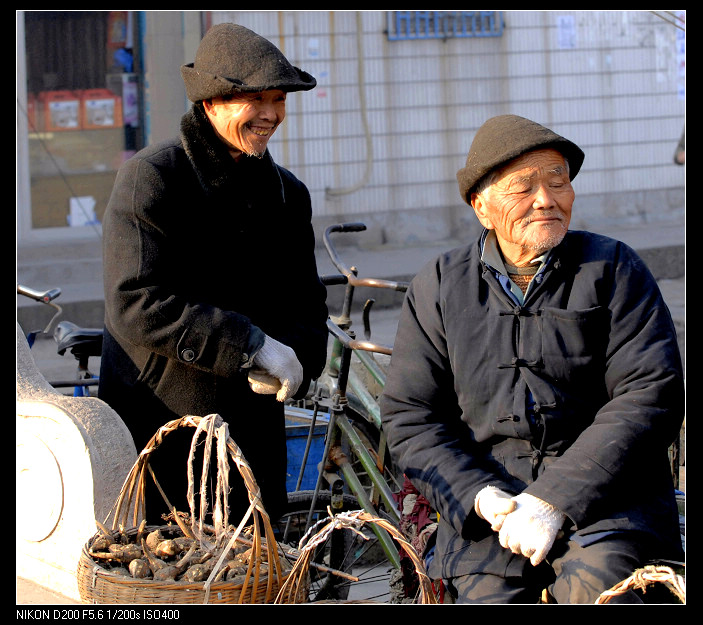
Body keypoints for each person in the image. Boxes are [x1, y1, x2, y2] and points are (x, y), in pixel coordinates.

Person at [380, 114, 684, 604]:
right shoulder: (440, 284)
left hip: (609, 505)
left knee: (601, 587)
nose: (546, 199)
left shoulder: (613, 269)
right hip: (491, 513)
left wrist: (552, 499)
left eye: (557, 182)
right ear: (481, 207)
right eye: (524, 187)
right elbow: (411, 417)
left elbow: (649, 394)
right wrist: (480, 496)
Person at [98, 23, 328, 525]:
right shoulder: (153, 177)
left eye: (279, 99)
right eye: (256, 99)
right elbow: (136, 301)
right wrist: (248, 345)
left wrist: (297, 359)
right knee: (170, 577)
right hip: (163, 427)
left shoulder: (288, 195)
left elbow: (307, 306)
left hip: (252, 435)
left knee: (254, 574)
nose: (271, 113)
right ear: (211, 103)